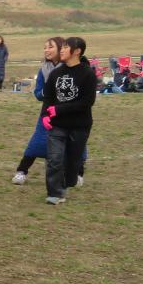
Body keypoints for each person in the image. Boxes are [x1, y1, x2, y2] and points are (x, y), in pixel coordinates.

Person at [41, 36, 96, 205]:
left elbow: (87, 102)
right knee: (54, 159)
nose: (62, 50)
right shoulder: (56, 73)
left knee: (73, 162)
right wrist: (45, 116)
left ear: (77, 51)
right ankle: (55, 193)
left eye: (65, 47)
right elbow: (48, 98)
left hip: (79, 126)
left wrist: (59, 109)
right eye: (62, 47)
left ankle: (69, 180)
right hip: (57, 125)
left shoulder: (87, 73)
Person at [12, 37, 71, 185]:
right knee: (37, 142)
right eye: (45, 47)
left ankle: (77, 173)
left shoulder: (70, 68)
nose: (46, 50)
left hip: (67, 112)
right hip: (47, 112)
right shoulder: (43, 70)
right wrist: (46, 92)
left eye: (50, 47)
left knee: (72, 142)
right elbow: (38, 94)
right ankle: (21, 171)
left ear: (60, 48)